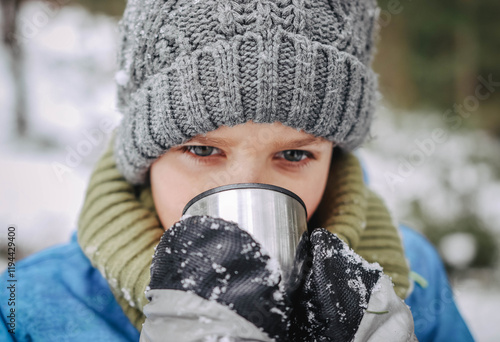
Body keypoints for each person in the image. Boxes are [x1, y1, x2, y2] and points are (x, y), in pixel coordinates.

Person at [0, 0, 474, 341]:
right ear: (145, 156)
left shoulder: (411, 273)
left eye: (293, 156)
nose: (245, 194)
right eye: (204, 149)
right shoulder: (27, 311)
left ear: (334, 157)